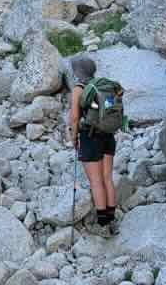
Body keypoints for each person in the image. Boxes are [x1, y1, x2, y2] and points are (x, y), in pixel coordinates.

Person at [67, 55, 118, 235]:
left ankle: (103, 224)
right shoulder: (104, 86)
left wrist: (73, 138)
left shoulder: (79, 90)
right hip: (108, 135)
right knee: (107, 178)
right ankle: (112, 218)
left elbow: (74, 118)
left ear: (77, 72)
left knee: (95, 182)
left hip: (90, 138)